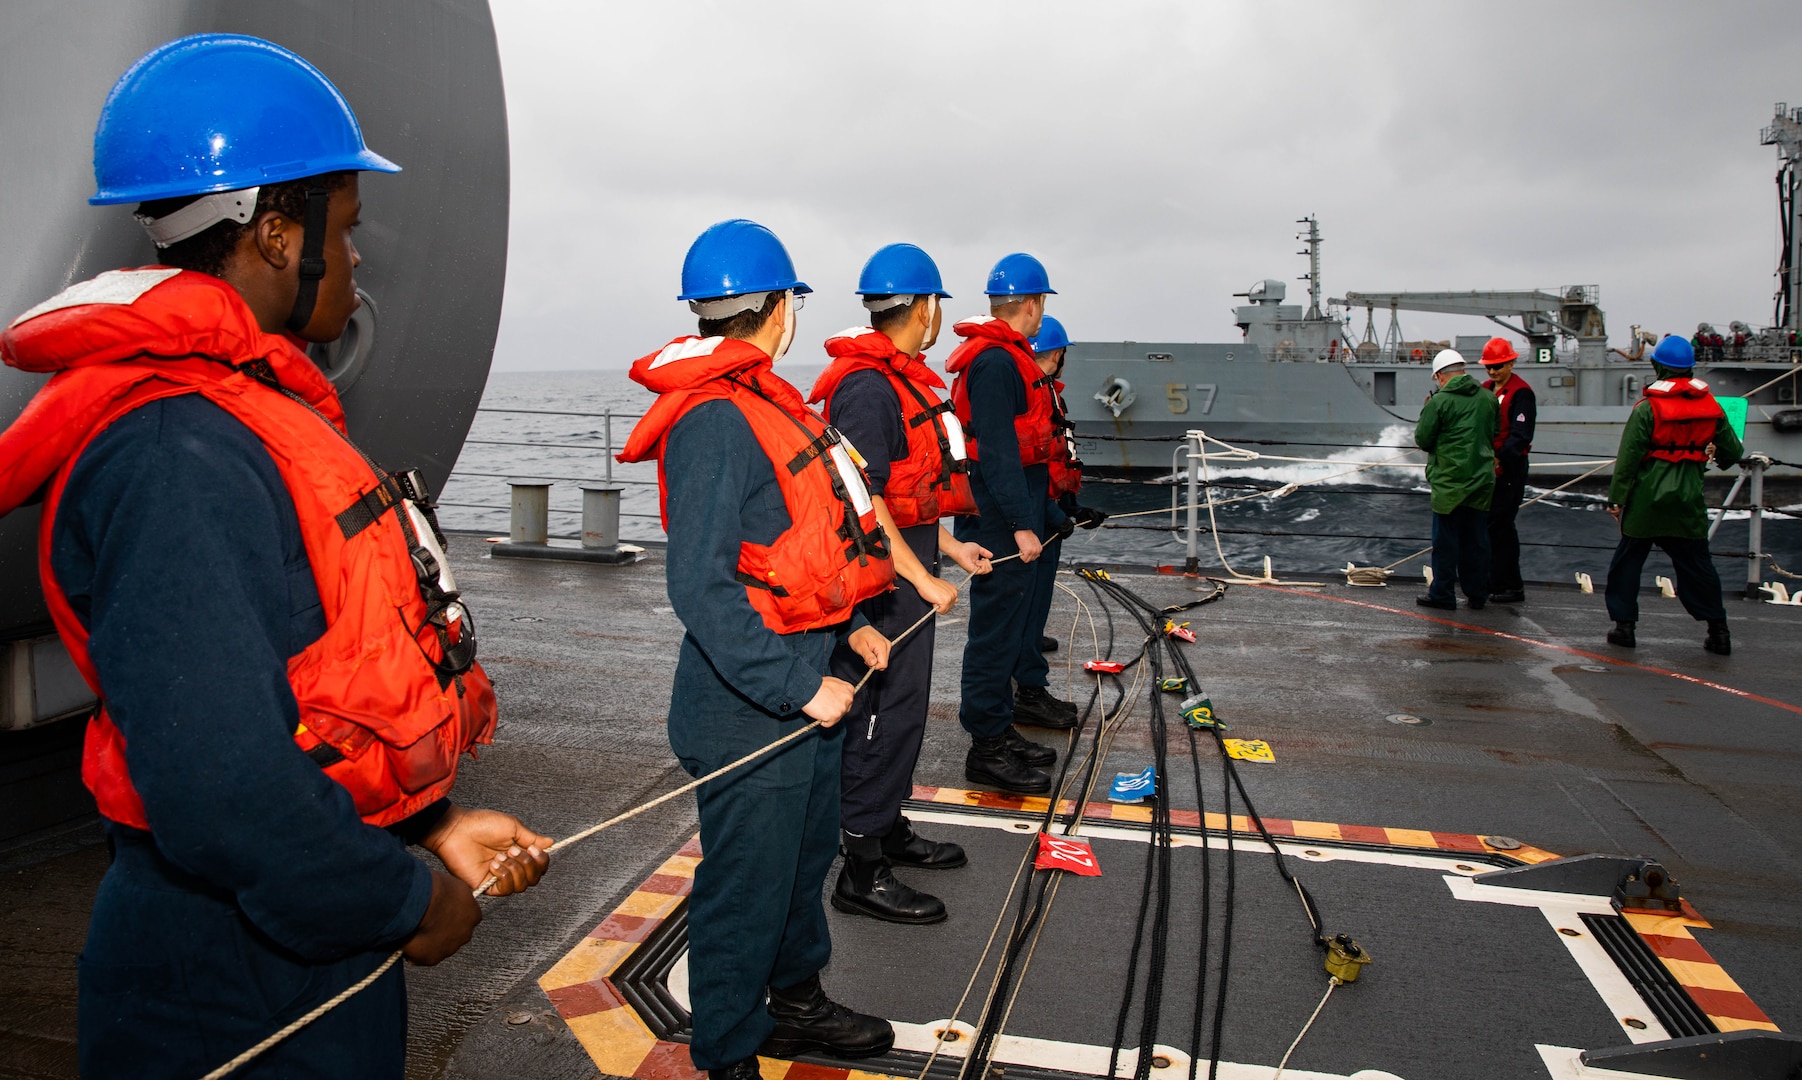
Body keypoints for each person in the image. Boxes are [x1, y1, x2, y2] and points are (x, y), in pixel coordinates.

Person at [0, 35, 551, 1077]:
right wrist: (402, 897)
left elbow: (298, 706)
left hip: (297, 924)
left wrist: (427, 827)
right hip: (225, 971)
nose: (356, 259)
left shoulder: (236, 426)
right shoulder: (177, 456)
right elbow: (222, 785)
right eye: (345, 231)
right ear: (274, 233)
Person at [617, 219, 897, 1080]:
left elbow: (785, 548)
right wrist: (796, 685)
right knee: (746, 885)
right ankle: (729, 1052)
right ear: (779, 310)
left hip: (803, 680)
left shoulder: (762, 405)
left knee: (803, 859)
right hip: (747, 705)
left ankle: (795, 1003)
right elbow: (700, 586)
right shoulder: (713, 420)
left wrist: (847, 627)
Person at [807, 243, 993, 925]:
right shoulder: (868, 389)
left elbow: (900, 502)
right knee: (878, 718)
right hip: (883, 591)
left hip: (910, 573)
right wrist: (920, 575)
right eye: (938, 302)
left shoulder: (900, 381)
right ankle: (861, 867)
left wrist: (948, 546)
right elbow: (862, 502)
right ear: (926, 307)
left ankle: (885, 826)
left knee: (905, 711)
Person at [948, 253, 1077, 796]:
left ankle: (1000, 728)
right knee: (994, 636)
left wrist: (1048, 515)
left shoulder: (1007, 359)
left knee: (1007, 631)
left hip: (1011, 512)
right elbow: (998, 452)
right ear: (1033, 304)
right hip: (998, 522)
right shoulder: (998, 364)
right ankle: (987, 748)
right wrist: (1024, 525)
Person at [1602, 336, 1746, 654]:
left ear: (1657, 366)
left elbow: (1627, 461)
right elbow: (1733, 452)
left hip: (1645, 503)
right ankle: (1718, 631)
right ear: (1690, 367)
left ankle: (1625, 628)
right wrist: (1717, 458)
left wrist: (1616, 500)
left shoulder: (1647, 410)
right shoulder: (1713, 409)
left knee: (1626, 564)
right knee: (1698, 567)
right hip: (1688, 501)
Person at [1023, 316, 1107, 657]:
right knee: (1030, 591)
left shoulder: (1048, 396)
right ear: (1056, 354)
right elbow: (1028, 465)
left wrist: (1071, 508)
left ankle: (1029, 639)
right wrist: (1052, 512)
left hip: (1049, 507)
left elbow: (1056, 459)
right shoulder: (1035, 399)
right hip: (1035, 514)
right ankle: (1027, 669)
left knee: (1038, 593)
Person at [1414, 348, 1500, 610]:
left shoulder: (1439, 402)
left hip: (1449, 481)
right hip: (1482, 480)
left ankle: (1442, 594)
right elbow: (1494, 431)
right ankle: (1477, 594)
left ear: (1440, 376)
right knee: (1477, 541)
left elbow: (1423, 439)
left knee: (1446, 543)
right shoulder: (1488, 398)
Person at [1480, 337, 1537, 604]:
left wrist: (1500, 458)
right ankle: (1493, 581)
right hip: (1488, 469)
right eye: (1490, 367)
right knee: (1490, 527)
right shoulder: (1485, 389)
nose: (1493, 371)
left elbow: (1521, 435)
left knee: (1501, 526)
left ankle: (1512, 586)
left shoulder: (1521, 393)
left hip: (1509, 469)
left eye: (1499, 366)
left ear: (1512, 362)